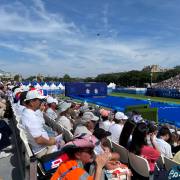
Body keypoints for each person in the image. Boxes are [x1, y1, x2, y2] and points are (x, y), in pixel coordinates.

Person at [21, 90, 61, 158]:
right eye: (39, 100)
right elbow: (39, 140)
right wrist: (52, 142)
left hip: (40, 146)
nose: (41, 102)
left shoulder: (26, 112)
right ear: (31, 102)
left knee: (59, 140)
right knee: (66, 147)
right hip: (42, 150)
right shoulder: (31, 117)